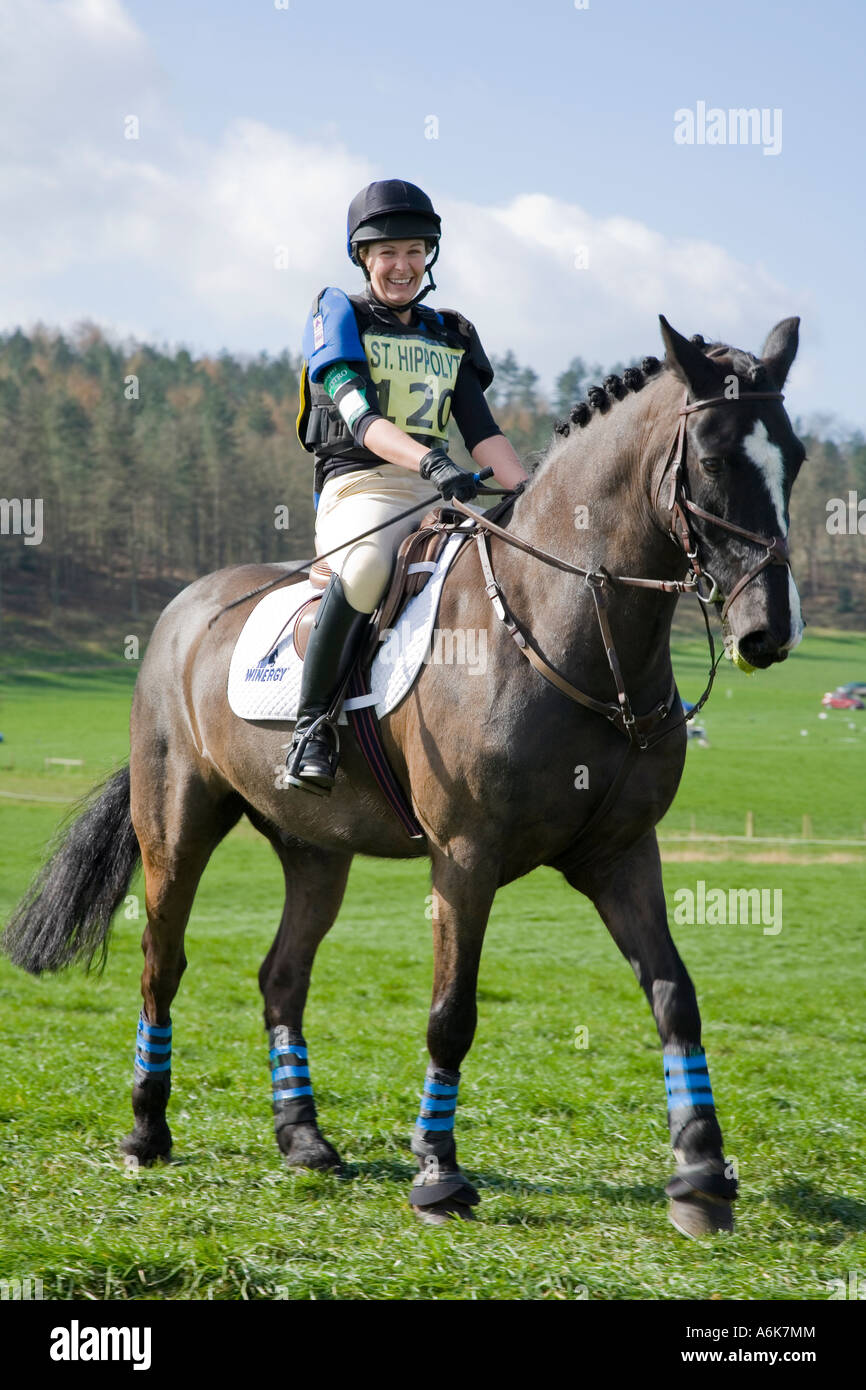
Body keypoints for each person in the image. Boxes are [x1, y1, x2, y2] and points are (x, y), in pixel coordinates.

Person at [288, 178, 528, 794]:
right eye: (387, 253)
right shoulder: (338, 314)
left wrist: (533, 494)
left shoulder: (449, 334)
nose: (403, 265)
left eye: (416, 251)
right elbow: (362, 421)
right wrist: (429, 464)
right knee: (367, 568)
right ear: (363, 258)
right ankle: (311, 727)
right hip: (361, 488)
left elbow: (486, 437)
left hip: (435, 493)